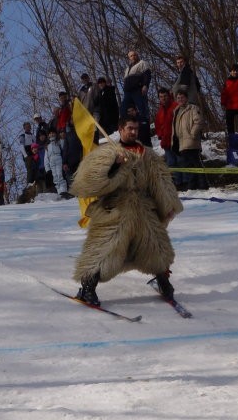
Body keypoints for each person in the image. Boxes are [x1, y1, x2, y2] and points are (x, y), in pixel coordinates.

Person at [70, 115, 184, 305]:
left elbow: (160, 181)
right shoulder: (108, 152)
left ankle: (163, 281)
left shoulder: (148, 155)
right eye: (130, 128)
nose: (133, 132)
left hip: (143, 209)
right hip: (116, 208)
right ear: (121, 129)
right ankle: (88, 285)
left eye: (136, 129)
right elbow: (90, 182)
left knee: (157, 246)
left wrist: (169, 205)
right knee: (105, 248)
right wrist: (115, 165)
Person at [172, 88, 209, 191]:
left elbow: (199, 121)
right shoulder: (176, 111)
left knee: (197, 164)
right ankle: (192, 186)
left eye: (182, 97)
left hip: (192, 142)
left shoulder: (193, 108)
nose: (180, 99)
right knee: (189, 166)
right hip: (182, 143)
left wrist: (192, 134)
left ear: (186, 98)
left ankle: (203, 185)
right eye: (178, 98)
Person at [154, 87, 180, 185]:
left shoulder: (175, 106)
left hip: (177, 140)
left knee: (180, 162)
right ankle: (175, 183)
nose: (163, 98)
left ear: (168, 96)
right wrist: (160, 135)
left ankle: (185, 182)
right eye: (161, 97)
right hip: (166, 142)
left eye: (165, 96)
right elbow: (158, 125)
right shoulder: (160, 111)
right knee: (171, 163)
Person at [121, 50, 151, 119]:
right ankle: (126, 124)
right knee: (123, 108)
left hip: (137, 90)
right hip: (127, 92)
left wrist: (145, 85)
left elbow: (147, 74)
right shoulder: (127, 69)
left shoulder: (142, 63)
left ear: (137, 55)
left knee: (142, 108)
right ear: (129, 58)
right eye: (131, 56)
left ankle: (144, 123)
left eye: (134, 55)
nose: (133, 57)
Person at [45, 128, 70, 198]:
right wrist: (47, 168)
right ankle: (59, 192)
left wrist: (64, 162)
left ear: (56, 134)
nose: (51, 134)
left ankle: (64, 191)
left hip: (58, 158)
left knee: (60, 174)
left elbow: (64, 149)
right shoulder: (48, 146)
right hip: (51, 161)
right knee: (55, 177)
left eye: (53, 133)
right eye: (50, 133)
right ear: (48, 135)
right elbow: (46, 158)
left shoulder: (59, 142)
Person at [62, 124, 82, 189]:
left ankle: (75, 192)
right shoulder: (68, 135)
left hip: (75, 160)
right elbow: (65, 149)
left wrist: (64, 162)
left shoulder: (68, 135)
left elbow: (65, 149)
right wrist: (64, 162)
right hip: (75, 160)